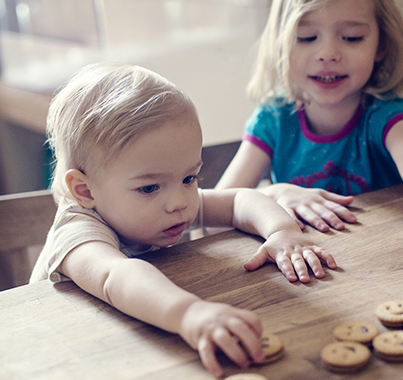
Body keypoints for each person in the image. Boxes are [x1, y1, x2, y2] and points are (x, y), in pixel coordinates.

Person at [29, 62, 336, 377]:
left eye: (190, 177)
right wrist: (189, 313)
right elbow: (117, 277)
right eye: (149, 187)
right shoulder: (77, 233)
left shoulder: (160, 205)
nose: (179, 202)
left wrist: (282, 232)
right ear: (85, 190)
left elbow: (240, 200)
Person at [216, 0, 403, 255]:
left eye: (351, 37)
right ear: (281, 45)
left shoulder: (383, 114)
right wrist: (273, 194)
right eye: (306, 37)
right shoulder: (273, 120)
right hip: (305, 265)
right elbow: (217, 212)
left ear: (381, 45)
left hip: (386, 255)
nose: (327, 53)